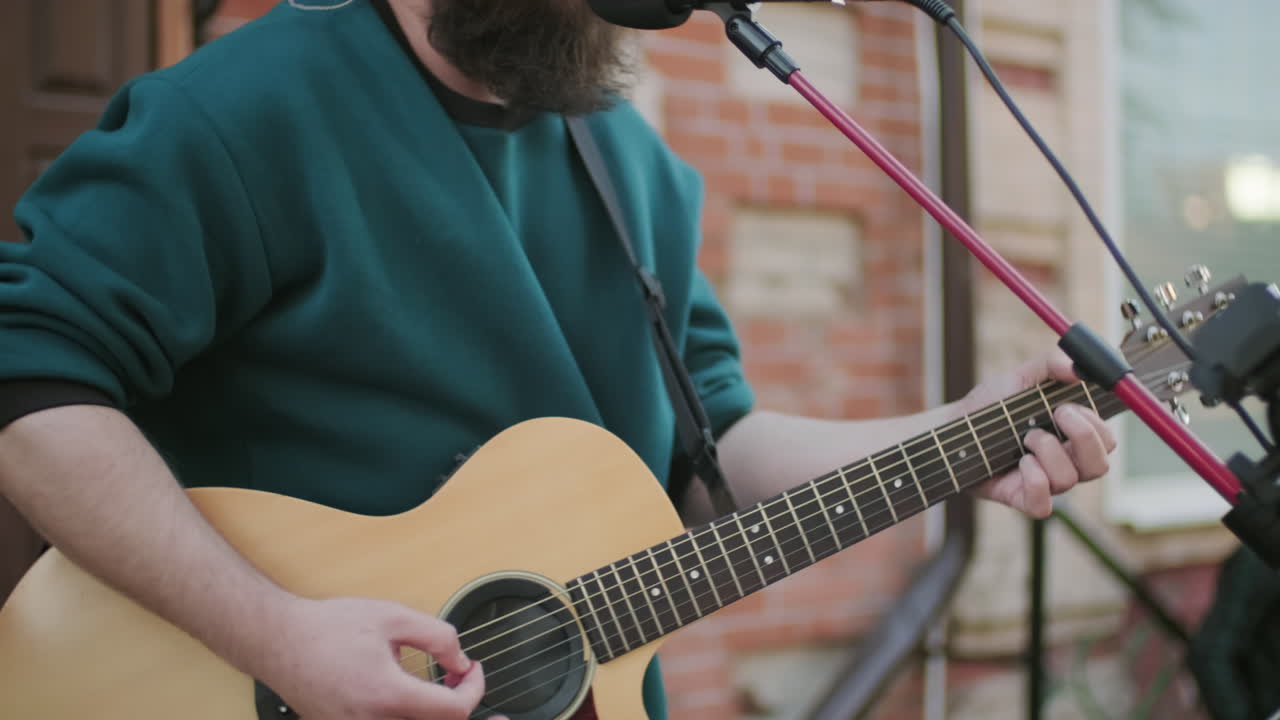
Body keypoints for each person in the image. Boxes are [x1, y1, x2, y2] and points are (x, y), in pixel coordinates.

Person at [0, 1, 1116, 718]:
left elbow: (709, 446)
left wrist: (953, 439)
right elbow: (30, 377)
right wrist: (276, 636)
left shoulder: (633, 165)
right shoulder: (246, 109)